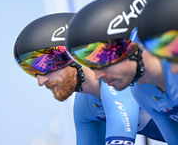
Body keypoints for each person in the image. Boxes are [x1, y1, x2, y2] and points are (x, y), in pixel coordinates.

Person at [14, 13, 165, 145]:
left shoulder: (115, 87)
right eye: (32, 70)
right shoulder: (84, 107)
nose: (41, 81)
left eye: (44, 65)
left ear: (70, 55)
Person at [65, 0, 178, 144]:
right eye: (90, 65)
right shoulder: (140, 92)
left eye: (103, 59)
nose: (97, 75)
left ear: (131, 44)